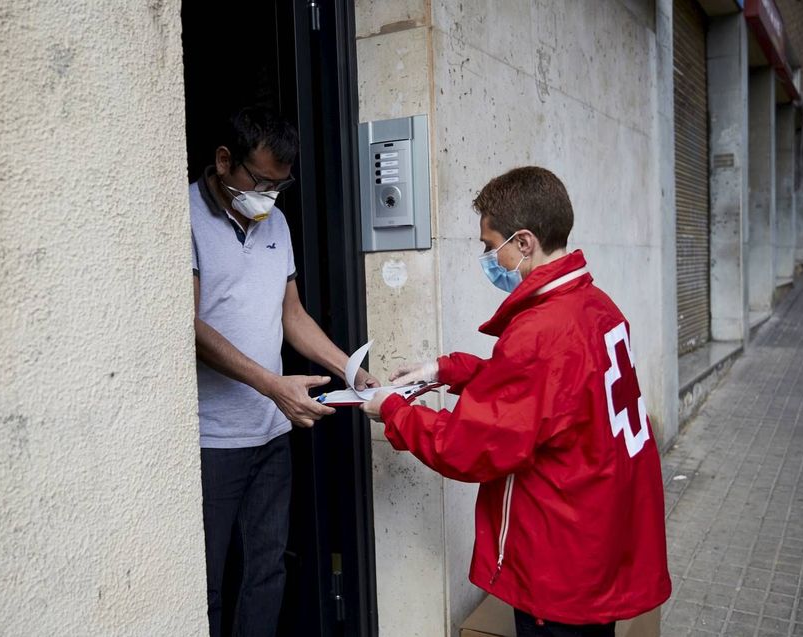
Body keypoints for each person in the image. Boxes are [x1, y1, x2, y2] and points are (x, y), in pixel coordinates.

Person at [361, 167, 671, 636]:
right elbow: (549, 398)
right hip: (598, 539)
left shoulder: (541, 331)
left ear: (523, 242)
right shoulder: (596, 306)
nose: (488, 258)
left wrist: (393, 410)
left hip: (560, 557)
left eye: (490, 246)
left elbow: (470, 445)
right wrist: (445, 370)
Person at [191, 105, 378, 637]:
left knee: (268, 571)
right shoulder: (182, 216)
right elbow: (190, 326)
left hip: (272, 437)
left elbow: (290, 314)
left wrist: (350, 371)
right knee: (206, 582)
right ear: (225, 161)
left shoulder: (274, 220)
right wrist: (273, 385)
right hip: (214, 441)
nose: (270, 197)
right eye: (262, 181)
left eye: (280, 185)